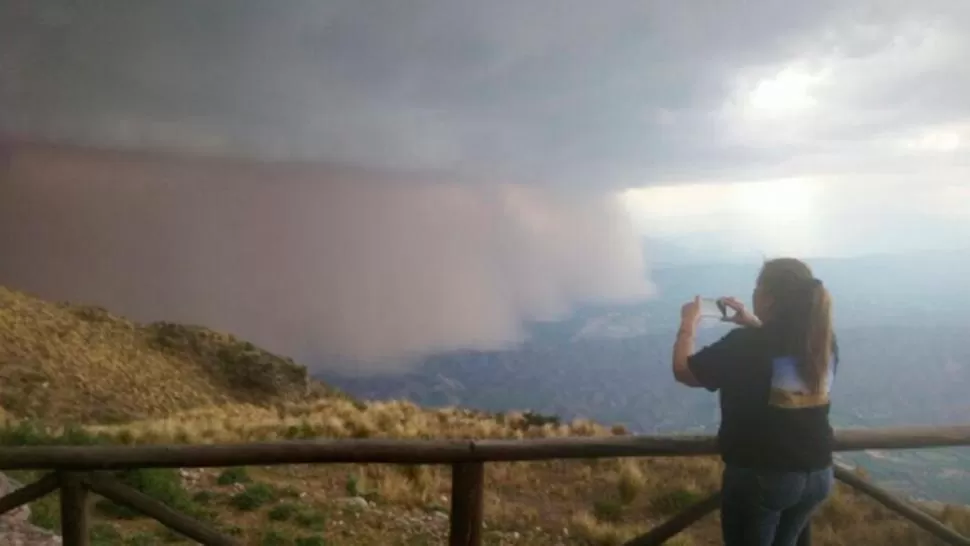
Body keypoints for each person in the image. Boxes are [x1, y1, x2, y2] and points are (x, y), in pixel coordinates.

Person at [671, 258, 838, 546]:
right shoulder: (822, 340)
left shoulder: (746, 344)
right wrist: (752, 321)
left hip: (764, 474)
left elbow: (685, 371)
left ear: (768, 298)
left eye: (757, 288)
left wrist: (689, 323)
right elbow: (774, 350)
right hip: (818, 473)